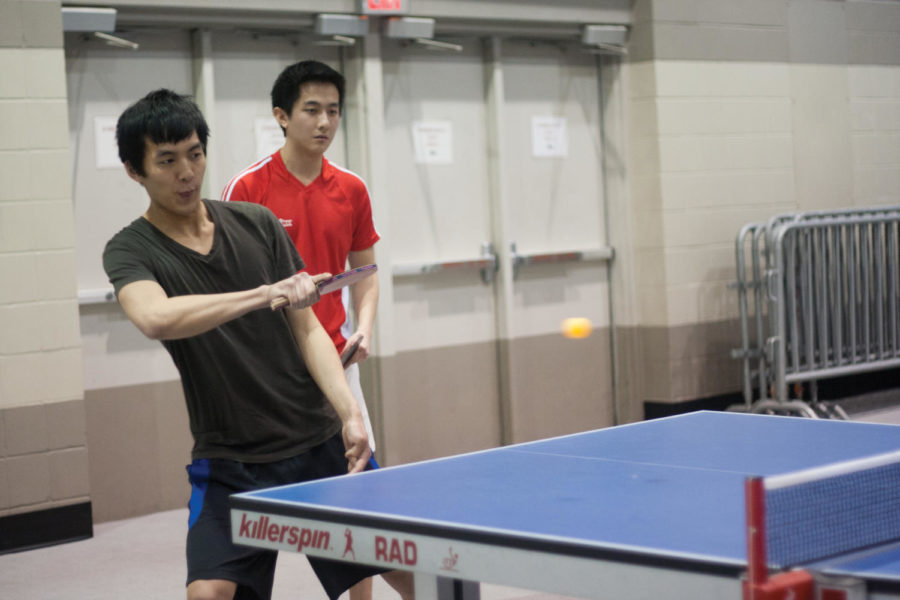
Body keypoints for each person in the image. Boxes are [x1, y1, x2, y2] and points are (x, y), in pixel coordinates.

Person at [103, 89, 412, 600]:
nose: (186, 171)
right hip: (232, 460)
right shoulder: (131, 249)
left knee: (411, 573)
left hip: (316, 444)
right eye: (167, 160)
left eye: (195, 154)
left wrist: (349, 413)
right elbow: (155, 318)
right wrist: (262, 294)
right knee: (209, 593)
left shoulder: (256, 224)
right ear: (135, 171)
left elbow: (308, 328)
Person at [221, 63, 382, 600]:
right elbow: (236, 288)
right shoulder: (248, 187)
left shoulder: (352, 188)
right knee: (265, 519)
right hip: (272, 380)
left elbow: (366, 268)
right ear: (281, 116)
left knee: (357, 513)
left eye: (333, 110)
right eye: (312, 109)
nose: (324, 121)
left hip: (336, 366)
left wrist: (365, 327)